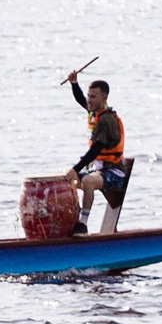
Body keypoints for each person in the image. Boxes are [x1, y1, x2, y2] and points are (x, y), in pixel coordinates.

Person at [68, 72, 132, 236]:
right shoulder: (94, 112)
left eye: (93, 97)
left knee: (87, 181)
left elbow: (96, 149)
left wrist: (76, 168)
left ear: (104, 98)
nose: (89, 100)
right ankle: (71, 221)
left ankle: (83, 224)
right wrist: (74, 84)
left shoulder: (106, 120)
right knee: (67, 182)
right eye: (89, 96)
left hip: (114, 173)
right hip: (98, 170)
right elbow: (82, 101)